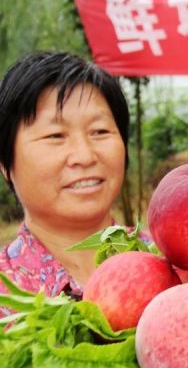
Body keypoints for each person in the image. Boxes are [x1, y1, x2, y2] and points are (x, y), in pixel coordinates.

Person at [0, 51, 129, 304]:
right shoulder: (6, 297)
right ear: (5, 162)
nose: (85, 156)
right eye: (55, 136)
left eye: (100, 131)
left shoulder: (175, 265)